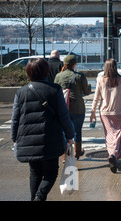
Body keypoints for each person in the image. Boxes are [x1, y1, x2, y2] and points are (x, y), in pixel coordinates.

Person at [11, 58, 75, 201]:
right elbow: (64, 116)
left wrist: (14, 138)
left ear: (28, 72)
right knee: (51, 173)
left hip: (27, 139)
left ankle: (35, 198)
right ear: (46, 72)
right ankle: (39, 196)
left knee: (35, 173)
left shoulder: (20, 92)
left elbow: (15, 118)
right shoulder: (55, 90)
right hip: (50, 140)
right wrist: (70, 135)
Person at [90, 59, 121, 173]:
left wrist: (93, 112)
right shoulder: (120, 80)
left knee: (109, 134)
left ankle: (112, 154)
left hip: (104, 112)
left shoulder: (100, 80)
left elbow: (96, 98)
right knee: (117, 134)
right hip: (118, 111)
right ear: (115, 67)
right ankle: (113, 154)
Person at [54, 55, 91, 160]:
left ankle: (65, 156)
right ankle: (77, 153)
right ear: (74, 64)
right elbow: (87, 91)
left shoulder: (58, 76)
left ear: (64, 64)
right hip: (78, 108)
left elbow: (55, 91)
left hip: (62, 108)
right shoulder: (80, 76)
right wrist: (88, 87)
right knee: (77, 131)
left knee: (63, 132)